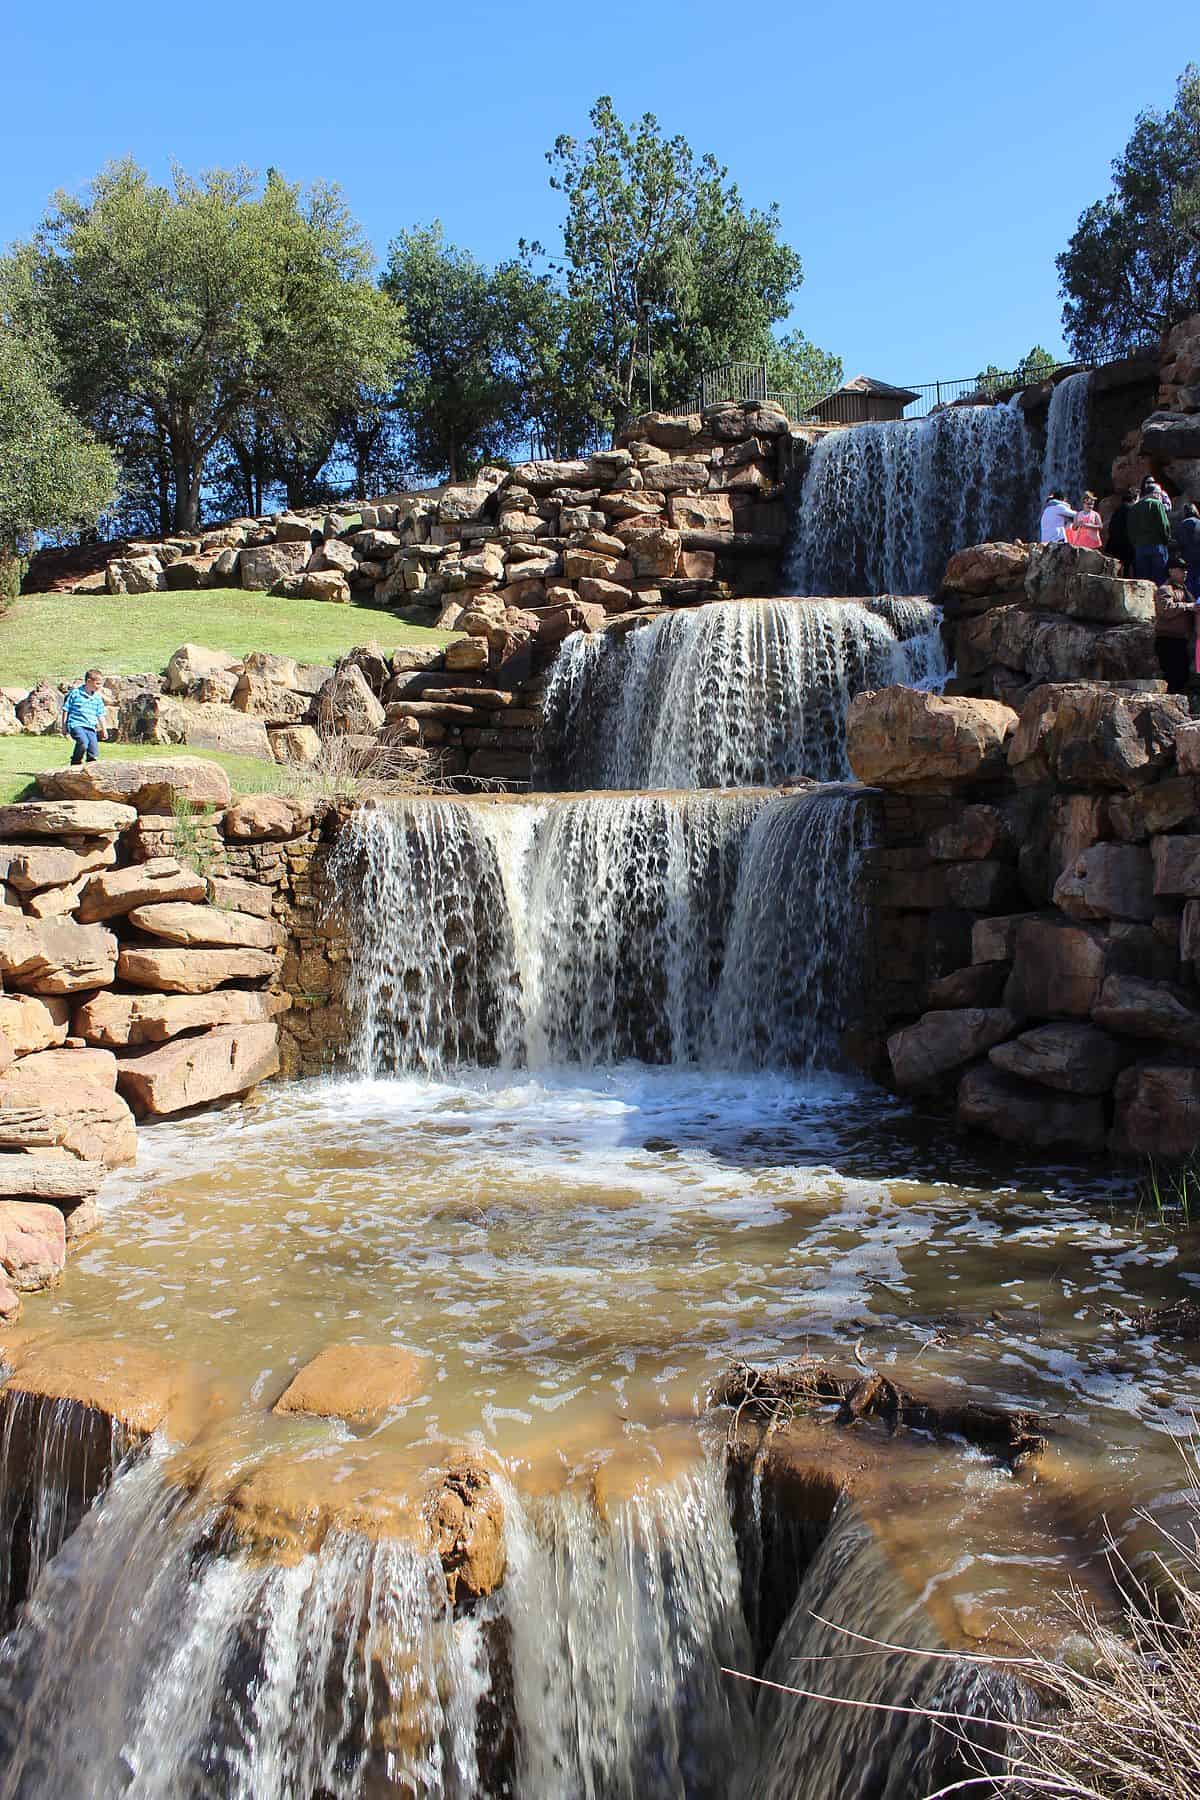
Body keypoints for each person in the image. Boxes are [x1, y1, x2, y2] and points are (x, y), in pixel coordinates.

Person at [1127, 476, 1171, 584]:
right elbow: (1164, 524)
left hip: (1140, 547)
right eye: (1159, 494)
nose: (1160, 496)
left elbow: (1130, 529)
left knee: (1143, 580)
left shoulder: (1134, 507)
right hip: (1157, 546)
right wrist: (1166, 540)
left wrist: (1135, 543)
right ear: (1155, 493)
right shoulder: (1157, 504)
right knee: (1159, 577)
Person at [60, 669, 108, 765]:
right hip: (76, 724)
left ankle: (90, 769)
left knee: (93, 752)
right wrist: (64, 726)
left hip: (90, 727)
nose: (99, 687)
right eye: (97, 684)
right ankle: (75, 762)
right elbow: (66, 709)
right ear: (89, 681)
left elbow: (101, 715)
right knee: (83, 742)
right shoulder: (75, 693)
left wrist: (104, 730)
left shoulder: (97, 698)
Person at [1106, 487, 1137, 577]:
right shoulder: (1132, 509)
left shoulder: (1117, 510)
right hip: (1128, 542)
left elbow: (1111, 526)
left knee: (1118, 565)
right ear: (1133, 499)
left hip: (1115, 542)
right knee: (1128, 565)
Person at [1179, 500, 1200, 603]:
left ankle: (1191, 601)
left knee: (1189, 580)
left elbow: (1180, 541)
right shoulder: (1199, 522)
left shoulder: (1183, 524)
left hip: (1187, 556)